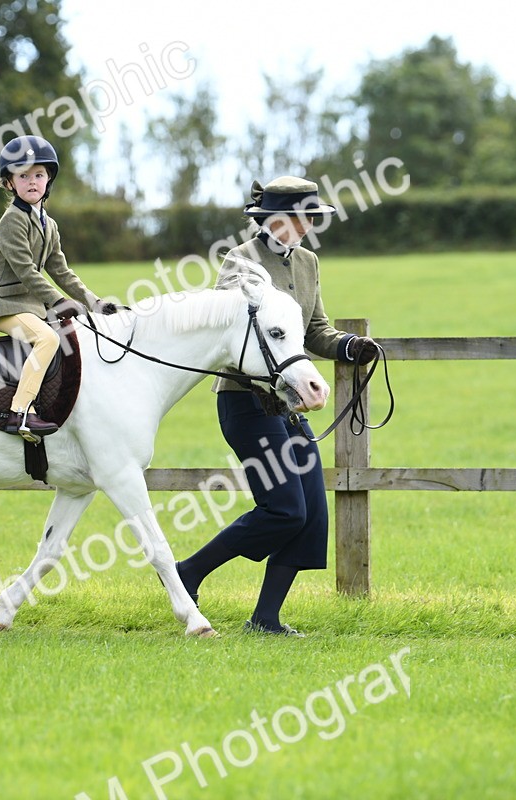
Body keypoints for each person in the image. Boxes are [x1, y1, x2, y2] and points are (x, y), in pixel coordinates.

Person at [175, 175, 380, 636]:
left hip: (289, 409)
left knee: (309, 513)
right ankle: (189, 571)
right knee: (284, 509)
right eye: (303, 217)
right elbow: (233, 329)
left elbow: (315, 330)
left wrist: (349, 346)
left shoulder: (307, 263)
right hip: (246, 403)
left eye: (311, 218)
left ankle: (266, 618)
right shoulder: (240, 261)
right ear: (275, 218)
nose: (309, 226)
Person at [0, 134, 116, 439]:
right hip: (5, 305)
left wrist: (94, 302)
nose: (32, 182)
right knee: (48, 339)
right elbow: (25, 271)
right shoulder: (11, 221)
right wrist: (57, 302)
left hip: (30, 306)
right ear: (9, 183)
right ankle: (20, 412)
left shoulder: (49, 225)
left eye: (38, 175)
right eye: (23, 176)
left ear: (48, 179)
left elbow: (61, 271)